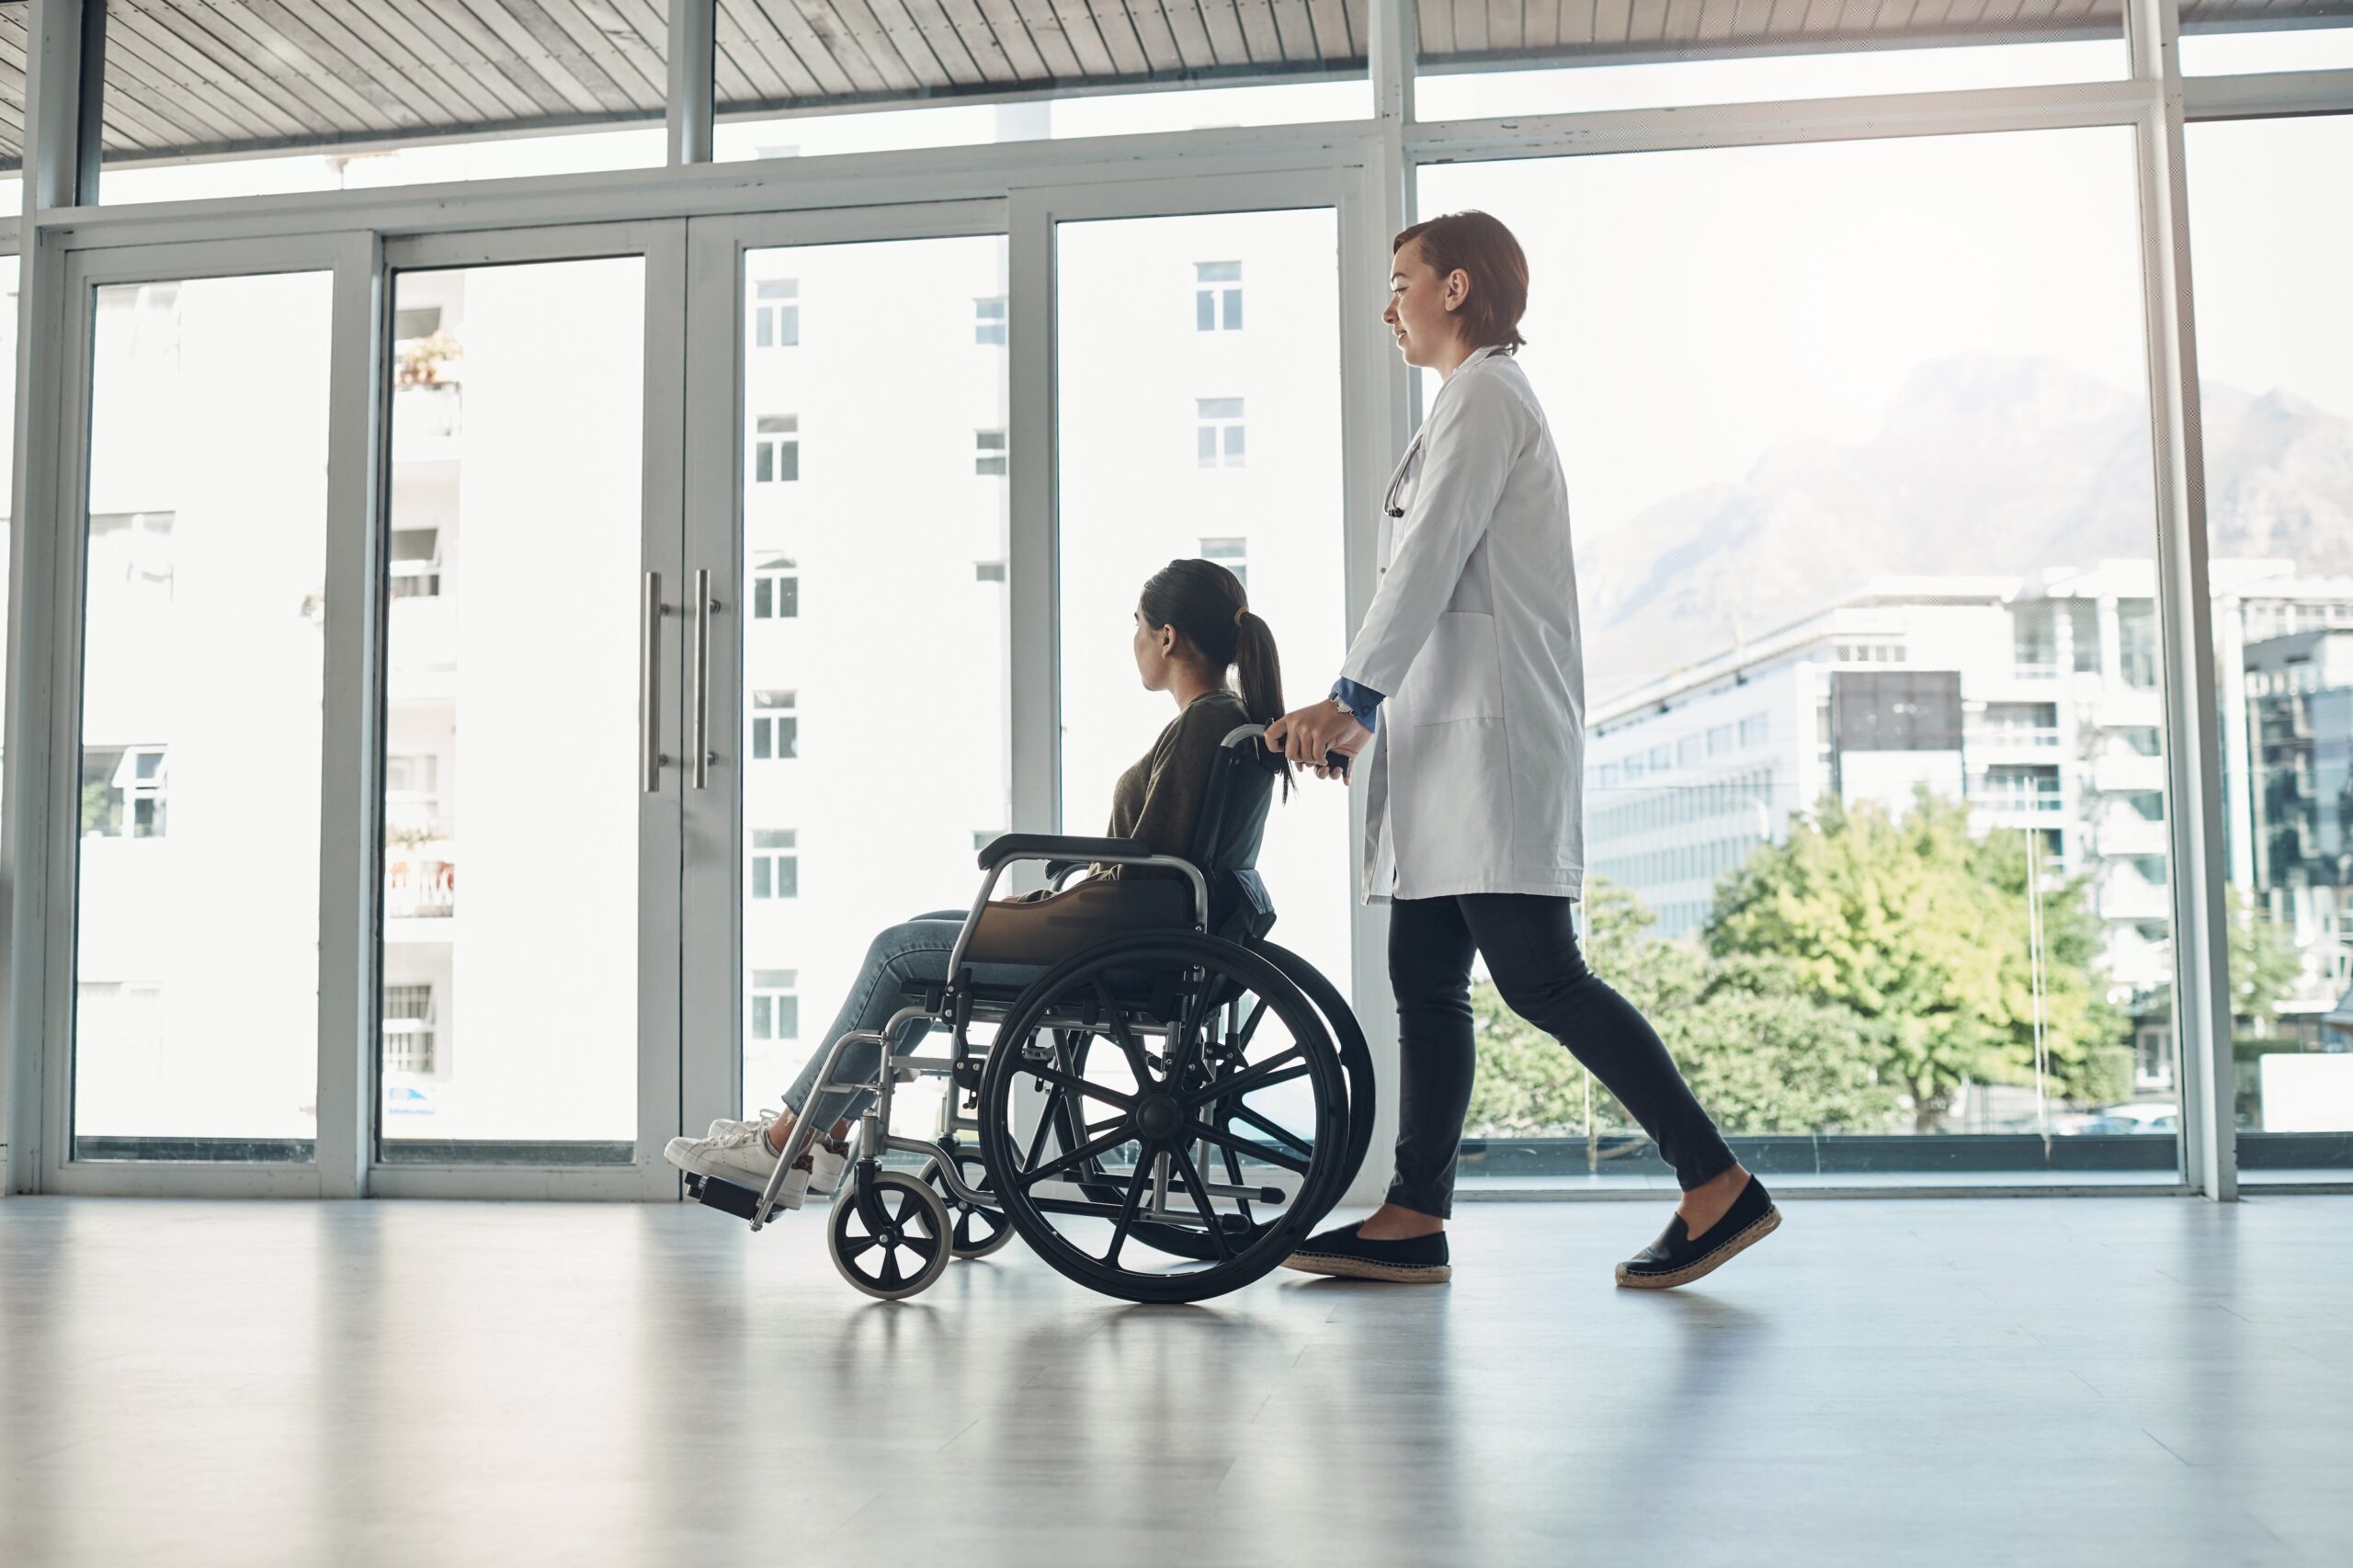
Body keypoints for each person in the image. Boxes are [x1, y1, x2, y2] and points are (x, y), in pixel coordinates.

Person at [1264, 210, 1779, 1289]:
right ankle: (1413, 1212)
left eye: (1400, 282)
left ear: (1455, 289)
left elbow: (1431, 559)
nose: (1389, 305)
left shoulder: (1488, 395)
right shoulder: (1464, 404)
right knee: (1423, 976)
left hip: (1490, 752)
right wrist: (1368, 709)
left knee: (1541, 978)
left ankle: (1715, 1181)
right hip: (1450, 751)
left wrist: (1349, 694)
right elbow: (1433, 577)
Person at [663, 558, 1293, 1207]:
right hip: (1124, 937)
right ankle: (828, 1134)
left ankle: (786, 1141)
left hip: (1114, 948)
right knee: (922, 933)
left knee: (898, 952)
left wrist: (1052, 901)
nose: (1132, 640)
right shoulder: (1225, 720)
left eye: (1137, 625)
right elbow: (1149, 869)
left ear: (1167, 637)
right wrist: (1049, 901)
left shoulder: (1205, 723)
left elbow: (1148, 871)